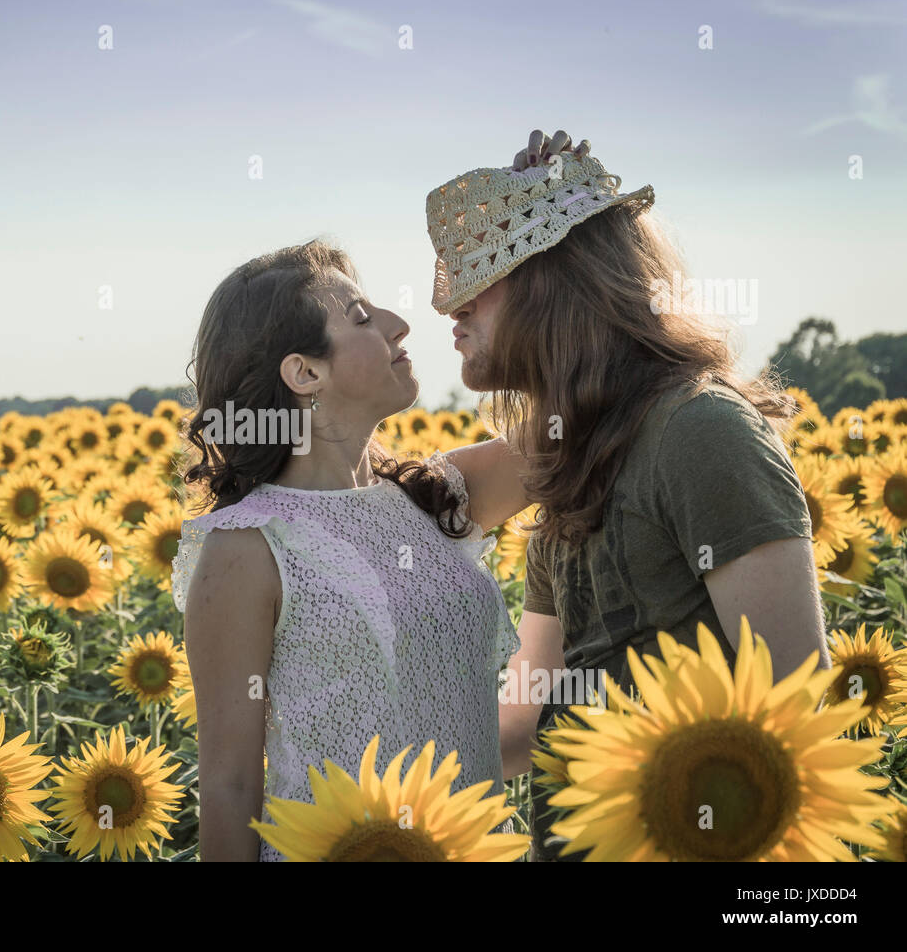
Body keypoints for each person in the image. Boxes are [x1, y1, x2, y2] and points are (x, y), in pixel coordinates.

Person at [424, 130, 828, 862]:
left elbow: (795, 704)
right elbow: (523, 719)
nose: (451, 306)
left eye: (486, 271)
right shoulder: (566, 464)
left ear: (554, 282)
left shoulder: (700, 432)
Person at [171, 240, 530, 861]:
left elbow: (580, 424)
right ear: (305, 373)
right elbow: (230, 788)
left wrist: (549, 222)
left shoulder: (435, 498)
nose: (398, 323)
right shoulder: (249, 548)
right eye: (361, 318)